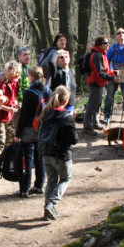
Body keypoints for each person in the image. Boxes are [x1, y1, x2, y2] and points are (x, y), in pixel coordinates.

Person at [37, 86, 78, 221]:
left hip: (46, 153)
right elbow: (74, 139)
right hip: (62, 156)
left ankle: (47, 213)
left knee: (51, 181)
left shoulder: (46, 113)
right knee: (66, 179)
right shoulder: (67, 117)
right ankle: (51, 204)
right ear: (66, 101)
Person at [14, 66, 50, 197]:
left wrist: (18, 133)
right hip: (43, 128)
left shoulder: (30, 92)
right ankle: (39, 185)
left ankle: (25, 188)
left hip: (29, 129)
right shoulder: (47, 89)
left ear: (31, 76)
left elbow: (24, 115)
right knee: (39, 158)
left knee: (27, 159)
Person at [83, 37, 115, 134]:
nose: (107, 44)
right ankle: (87, 127)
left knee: (98, 104)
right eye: (105, 43)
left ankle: (94, 123)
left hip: (100, 82)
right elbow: (100, 72)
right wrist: (112, 78)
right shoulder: (96, 55)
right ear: (99, 45)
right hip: (95, 82)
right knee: (92, 104)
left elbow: (105, 71)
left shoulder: (102, 54)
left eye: (108, 43)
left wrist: (113, 73)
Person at [0, 61, 22, 158]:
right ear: (10, 72)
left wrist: (16, 104)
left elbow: (15, 97)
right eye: (16, 72)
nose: (18, 74)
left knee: (10, 138)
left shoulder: (16, 83)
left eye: (19, 72)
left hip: (9, 116)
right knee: (1, 139)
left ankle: (7, 159)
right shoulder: (0, 84)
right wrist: (8, 108)